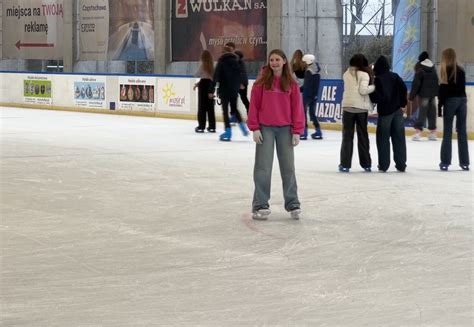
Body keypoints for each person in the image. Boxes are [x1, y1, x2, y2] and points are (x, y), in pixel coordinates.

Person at [247, 49, 305, 220]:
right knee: (263, 167)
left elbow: (297, 109)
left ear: (284, 61)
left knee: (288, 167)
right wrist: (255, 127)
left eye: (277, 59)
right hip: (265, 128)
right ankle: (260, 204)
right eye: (271, 60)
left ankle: (293, 202)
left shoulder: (291, 84)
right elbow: (254, 107)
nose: (274, 63)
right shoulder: (261, 83)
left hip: (285, 130)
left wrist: (297, 131)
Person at [370, 55, 408, 172]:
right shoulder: (395, 76)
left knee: (383, 139)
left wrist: (371, 94)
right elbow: (404, 89)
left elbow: (377, 97)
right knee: (399, 138)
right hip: (397, 111)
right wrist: (402, 103)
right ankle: (401, 164)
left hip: (385, 112)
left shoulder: (378, 79)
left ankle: (384, 165)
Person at [339, 53, 375, 172]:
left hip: (347, 107)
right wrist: (374, 87)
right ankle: (366, 164)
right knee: (363, 136)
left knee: (347, 137)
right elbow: (363, 91)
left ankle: (345, 164)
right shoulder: (364, 74)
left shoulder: (345, 74)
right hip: (360, 109)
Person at [438, 48, 470, 171]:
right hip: (462, 101)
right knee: (462, 132)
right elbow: (462, 90)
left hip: (450, 102)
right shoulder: (461, 71)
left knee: (447, 133)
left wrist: (440, 108)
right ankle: (465, 162)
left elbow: (443, 92)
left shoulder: (445, 70)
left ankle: (445, 162)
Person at [213, 45, 249, 141]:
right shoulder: (237, 61)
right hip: (234, 89)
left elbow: (216, 76)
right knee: (234, 109)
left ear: (223, 52)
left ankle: (228, 131)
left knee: (225, 111)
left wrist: (211, 90)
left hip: (224, 90)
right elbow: (240, 74)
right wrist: (240, 84)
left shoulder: (221, 62)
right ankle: (242, 126)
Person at [409, 51, 439, 141]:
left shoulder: (420, 69)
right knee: (432, 113)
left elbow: (416, 84)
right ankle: (433, 133)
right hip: (432, 95)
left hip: (423, 94)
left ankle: (418, 133)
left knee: (422, 113)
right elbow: (436, 81)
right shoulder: (433, 68)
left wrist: (411, 96)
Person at [193, 50, 216, 133]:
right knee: (210, 107)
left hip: (203, 86)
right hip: (210, 85)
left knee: (202, 107)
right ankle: (212, 126)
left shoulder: (203, 65)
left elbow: (197, 74)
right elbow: (212, 78)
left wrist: (199, 83)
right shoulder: (212, 66)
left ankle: (201, 126)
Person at [301, 54, 323, 140]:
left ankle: (304, 132)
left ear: (307, 62)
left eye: (303, 62)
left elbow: (307, 86)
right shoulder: (316, 71)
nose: (302, 64)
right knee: (312, 114)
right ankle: (318, 131)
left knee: (303, 114)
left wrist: (299, 89)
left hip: (307, 96)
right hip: (314, 96)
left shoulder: (309, 72)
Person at [235, 50, 250, 114]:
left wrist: (241, 83)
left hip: (242, 83)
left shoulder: (239, 62)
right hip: (240, 83)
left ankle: (250, 113)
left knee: (244, 99)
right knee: (241, 99)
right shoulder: (239, 61)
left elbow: (241, 73)